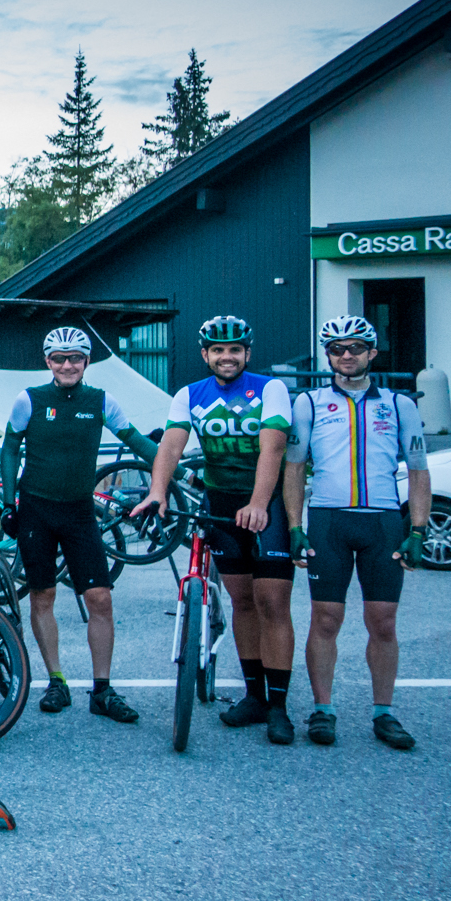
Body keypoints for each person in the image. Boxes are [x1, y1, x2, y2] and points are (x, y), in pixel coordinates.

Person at [135, 315, 299, 744]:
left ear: (247, 353)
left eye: (235, 350)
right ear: (205, 355)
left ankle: (279, 706)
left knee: (273, 602)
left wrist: (260, 504)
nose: (227, 357)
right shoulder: (190, 394)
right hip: (220, 504)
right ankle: (254, 696)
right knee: (243, 601)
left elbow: (274, 447)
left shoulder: (270, 389)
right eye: (218, 351)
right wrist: (158, 491)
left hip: (266, 504)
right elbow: (171, 444)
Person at [283, 315, 429, 751]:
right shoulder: (308, 402)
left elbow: (419, 472)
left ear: (372, 353)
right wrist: (295, 525)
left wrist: (417, 529)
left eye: (355, 348)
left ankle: (384, 713)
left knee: (382, 622)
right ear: (328, 356)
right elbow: (293, 468)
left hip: (382, 521)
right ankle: (322, 709)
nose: (346, 356)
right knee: (326, 619)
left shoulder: (400, 404)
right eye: (336, 349)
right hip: (329, 520)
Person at [0, 327, 157, 723]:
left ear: (86, 362)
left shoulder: (101, 401)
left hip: (79, 512)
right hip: (37, 510)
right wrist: (7, 502)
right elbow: (9, 447)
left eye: (75, 358)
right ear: (47, 361)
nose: (67, 364)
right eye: (58, 357)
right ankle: (57, 680)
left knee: (100, 599)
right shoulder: (29, 399)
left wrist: (174, 469)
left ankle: (102, 690)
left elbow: (135, 439)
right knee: (43, 597)